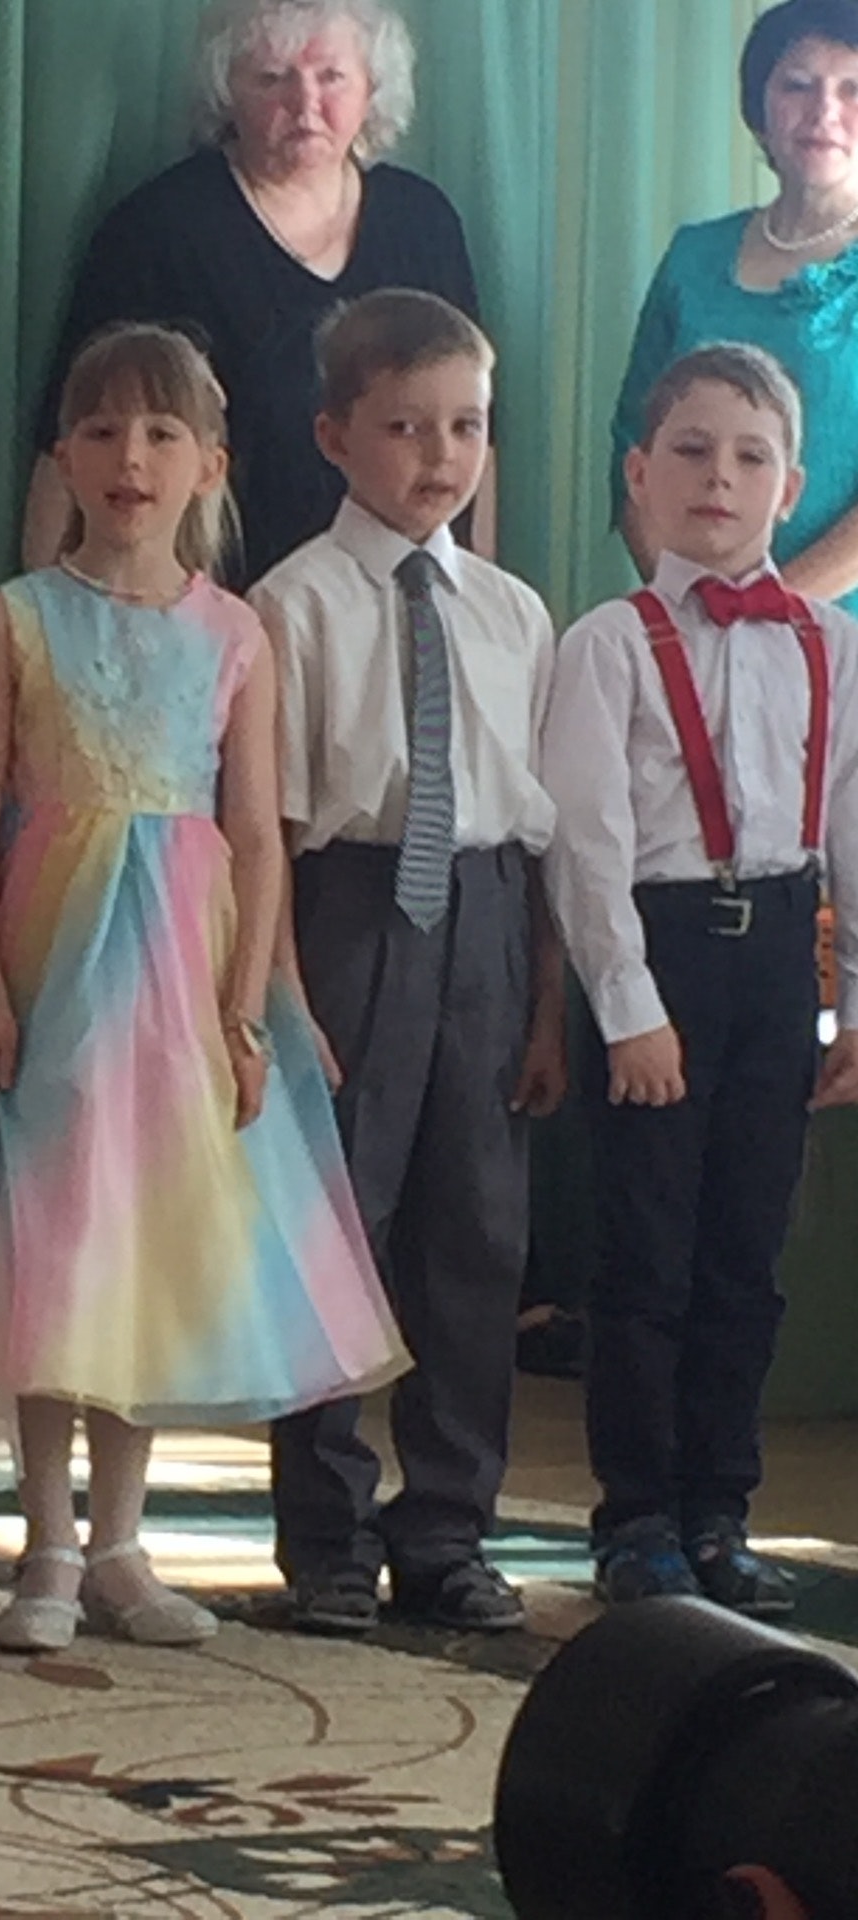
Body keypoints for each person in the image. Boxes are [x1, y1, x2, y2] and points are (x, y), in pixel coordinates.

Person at [0, 322, 408, 1655]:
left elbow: (256, 832)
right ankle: (45, 1543)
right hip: (55, 966)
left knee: (147, 1246)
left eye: (161, 434)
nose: (131, 458)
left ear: (210, 462)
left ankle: (119, 1547)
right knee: (61, 1244)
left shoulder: (236, 632)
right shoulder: (16, 618)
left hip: (185, 977)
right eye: (102, 431)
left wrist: (248, 1007)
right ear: (63, 457)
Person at [252, 289, 566, 1635]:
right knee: (338, 1223)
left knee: (476, 1236)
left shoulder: (515, 613)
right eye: (405, 426)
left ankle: (446, 1531)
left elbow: (539, 829)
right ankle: (325, 1539)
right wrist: (280, 990)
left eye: (467, 427)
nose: (441, 455)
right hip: (352, 910)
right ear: (334, 435)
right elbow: (266, 828)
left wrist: (546, 1005)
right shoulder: (292, 605)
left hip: (485, 918)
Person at [542, 343, 858, 1610]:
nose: (718, 478)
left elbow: (850, 830)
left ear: (790, 488)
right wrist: (628, 1009)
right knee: (648, 1256)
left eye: (748, 456)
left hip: (780, 957)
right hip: (659, 953)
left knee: (746, 1255)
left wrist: (851, 1004)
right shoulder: (607, 643)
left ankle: (721, 1509)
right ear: (640, 474)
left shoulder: (832, 645)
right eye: (690, 450)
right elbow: (586, 841)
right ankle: (637, 1519)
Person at [25, 0, 489, 590]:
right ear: (227, 91)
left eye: (331, 76)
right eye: (272, 78)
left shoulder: (425, 223)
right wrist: (49, 616)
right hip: (206, 615)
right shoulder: (155, 233)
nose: (305, 104)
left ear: (373, 86)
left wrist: (472, 594)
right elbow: (69, 446)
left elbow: (478, 433)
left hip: (397, 607)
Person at [613, 0, 858, 612]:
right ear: (759, 106)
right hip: (687, 623)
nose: (824, 112)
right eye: (797, 85)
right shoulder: (693, 257)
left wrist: (766, 612)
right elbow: (632, 441)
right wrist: (690, 605)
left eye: (852, 89)